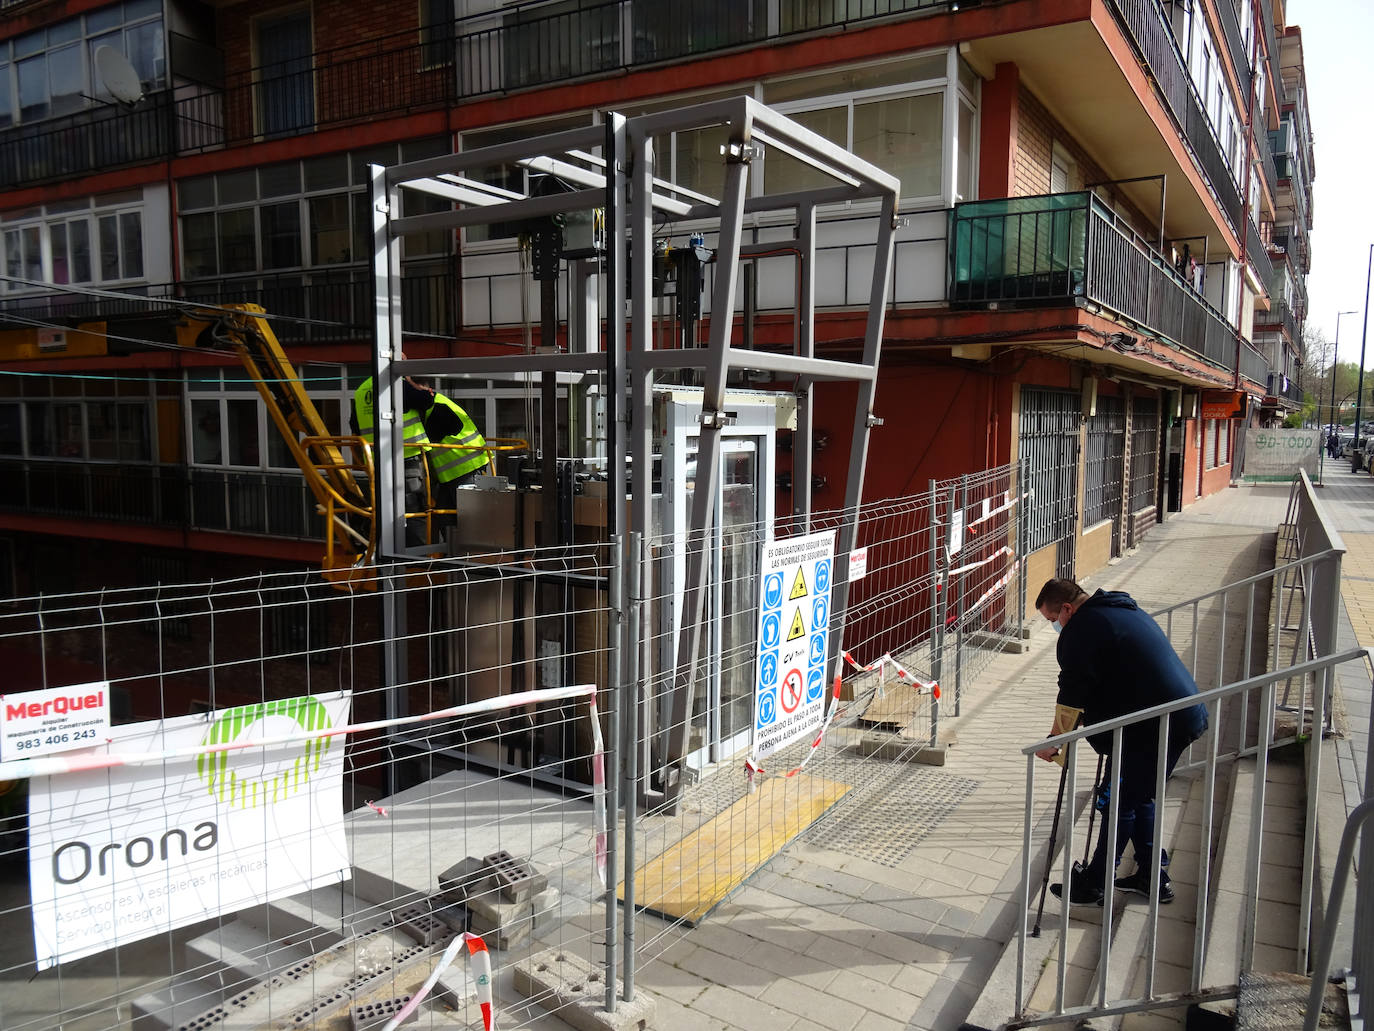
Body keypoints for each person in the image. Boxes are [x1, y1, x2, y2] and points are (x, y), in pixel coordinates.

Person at [1034, 578, 1209, 907]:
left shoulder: (1083, 629)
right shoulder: (1116, 611)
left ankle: (1095, 883)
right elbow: (1113, 675)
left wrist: (1054, 741)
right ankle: (1152, 877)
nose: (1054, 627)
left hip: (1155, 726)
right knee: (1136, 797)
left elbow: (1072, 691)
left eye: (1052, 619)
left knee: (1119, 802)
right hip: (1170, 717)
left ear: (1068, 609)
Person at [352, 364, 436, 546]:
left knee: (385, 507)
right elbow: (426, 400)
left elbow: (355, 425)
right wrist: (410, 380)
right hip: (407, 457)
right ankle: (418, 561)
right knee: (414, 509)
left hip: (378, 461)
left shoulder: (362, 389)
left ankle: (385, 548)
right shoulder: (396, 383)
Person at [423, 391, 490, 533]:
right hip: (455, 470)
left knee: (467, 518)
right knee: (446, 515)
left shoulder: (436, 406)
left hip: (465, 466)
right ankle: (453, 551)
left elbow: (432, 438)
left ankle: (470, 552)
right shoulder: (435, 403)